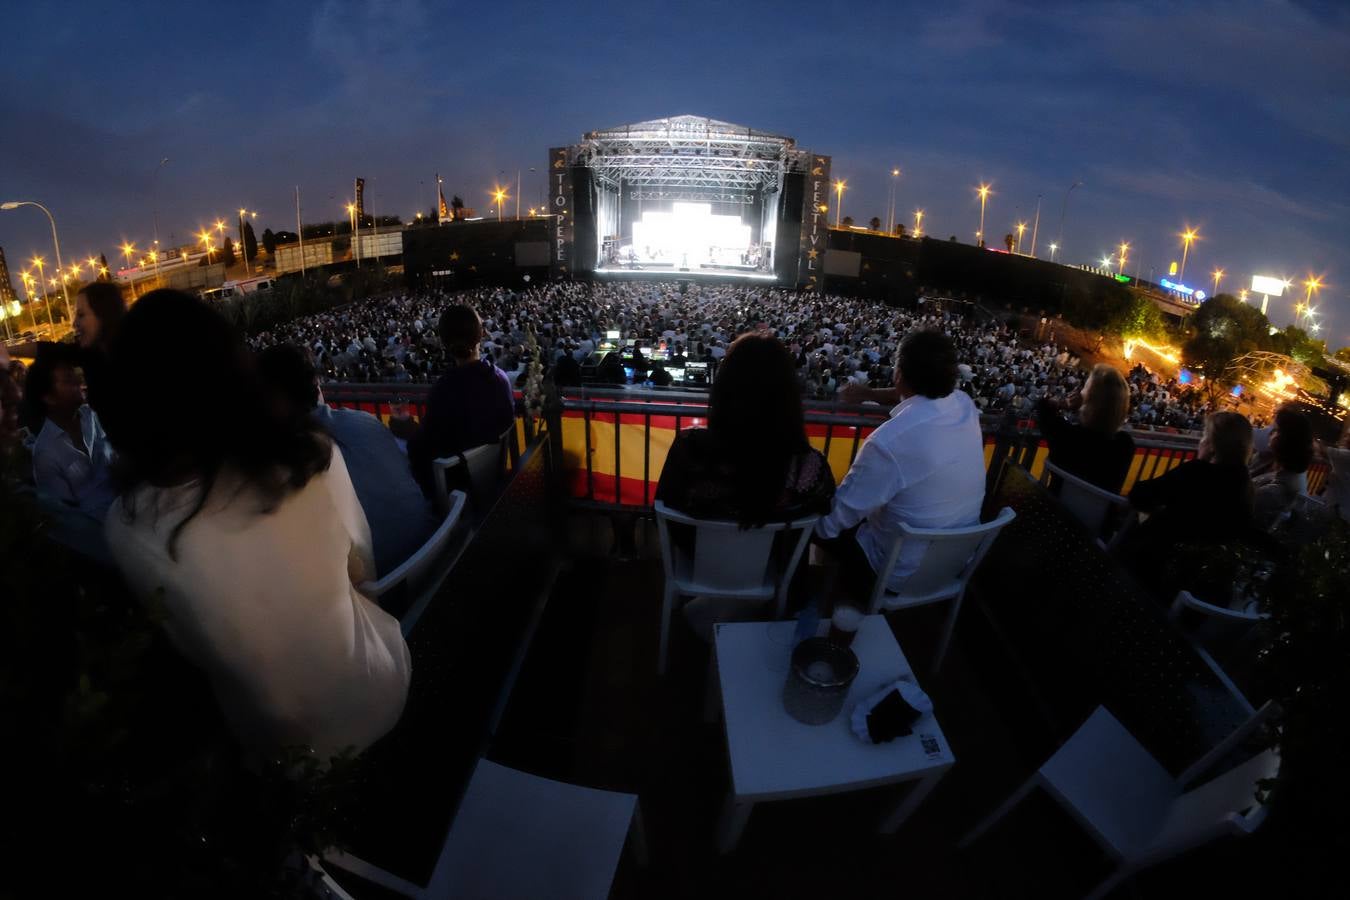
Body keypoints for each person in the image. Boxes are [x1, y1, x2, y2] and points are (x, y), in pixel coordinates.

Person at [103, 290, 410, 760]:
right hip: (381, 692)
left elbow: (198, 651)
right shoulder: (309, 455)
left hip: (281, 759)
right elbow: (363, 569)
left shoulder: (126, 525)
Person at [816, 329, 986, 599]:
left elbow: (831, 524)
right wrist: (868, 392)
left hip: (895, 573)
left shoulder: (887, 443)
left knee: (816, 526)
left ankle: (823, 604)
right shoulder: (964, 406)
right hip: (953, 565)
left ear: (898, 374)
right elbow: (919, 396)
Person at [255, 344, 440, 577]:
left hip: (390, 582)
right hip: (434, 543)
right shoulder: (365, 421)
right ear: (316, 383)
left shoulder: (289, 466)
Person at [655, 333, 835, 527]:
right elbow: (820, 522)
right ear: (789, 396)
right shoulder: (809, 466)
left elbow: (664, 512)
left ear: (723, 390)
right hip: (775, 558)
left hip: (697, 556)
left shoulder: (689, 447)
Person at [406, 304, 515, 497]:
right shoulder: (501, 378)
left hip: (460, 488)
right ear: (481, 335)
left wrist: (409, 432)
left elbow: (424, 449)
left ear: (443, 343)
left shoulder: (444, 389)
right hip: (492, 478)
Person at [21, 343, 117, 517]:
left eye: (75, 374)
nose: (78, 381)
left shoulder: (94, 415)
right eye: (68, 380)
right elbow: (67, 518)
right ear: (49, 398)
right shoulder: (46, 453)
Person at [1129, 411, 1254, 541]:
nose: (1201, 441)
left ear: (1213, 445)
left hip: (1163, 551)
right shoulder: (1245, 483)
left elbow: (1139, 495)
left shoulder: (1198, 472)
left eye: (1205, 435)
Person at [1036, 364, 1135, 493]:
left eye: (1084, 389)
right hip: (1097, 513)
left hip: (1056, 508)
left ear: (1087, 401)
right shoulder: (1125, 445)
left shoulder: (1067, 436)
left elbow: (1043, 406)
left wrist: (1064, 404)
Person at [1251, 405, 1314, 530]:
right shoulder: (1290, 473)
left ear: (1286, 440)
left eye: (1275, 430)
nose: (1269, 434)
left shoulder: (1274, 492)